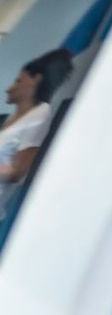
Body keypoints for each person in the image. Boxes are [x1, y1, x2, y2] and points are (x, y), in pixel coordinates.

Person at [0, 49, 74, 212]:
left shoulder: (38, 118)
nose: (10, 88)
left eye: (18, 81)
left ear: (36, 79)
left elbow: (17, 172)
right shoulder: (19, 118)